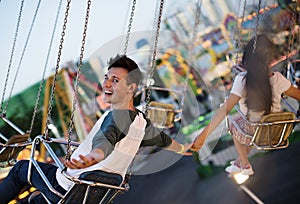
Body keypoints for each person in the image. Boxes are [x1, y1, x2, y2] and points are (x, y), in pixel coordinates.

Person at [0, 55, 192, 203]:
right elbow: (164, 141)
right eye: (107, 78)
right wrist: (184, 148)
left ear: (131, 87)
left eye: (115, 80)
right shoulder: (142, 123)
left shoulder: (117, 117)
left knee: (22, 168)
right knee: (35, 199)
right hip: (90, 196)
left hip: (66, 187)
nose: (106, 84)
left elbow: (106, 139)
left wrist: (94, 157)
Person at [191, 34, 300, 176]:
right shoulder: (278, 78)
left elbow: (225, 109)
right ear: (269, 58)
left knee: (234, 122)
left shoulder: (242, 80)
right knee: (247, 128)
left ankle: (244, 163)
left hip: (255, 131)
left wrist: (202, 136)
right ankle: (239, 161)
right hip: (277, 130)